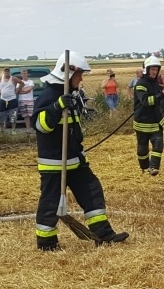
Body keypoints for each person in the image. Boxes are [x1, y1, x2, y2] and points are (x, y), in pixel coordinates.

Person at [32, 51, 127, 250]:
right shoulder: (49, 96)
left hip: (75, 160)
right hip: (55, 163)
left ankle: (103, 234)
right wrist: (56, 107)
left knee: (92, 192)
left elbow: (72, 131)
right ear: (68, 73)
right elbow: (41, 126)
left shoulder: (69, 96)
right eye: (79, 75)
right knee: (51, 203)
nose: (81, 79)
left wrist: (79, 153)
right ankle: (47, 242)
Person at [133, 55, 164, 176]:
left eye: (156, 69)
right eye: (152, 69)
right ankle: (144, 167)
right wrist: (161, 95)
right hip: (142, 121)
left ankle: (153, 168)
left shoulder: (155, 83)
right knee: (143, 147)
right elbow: (146, 101)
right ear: (147, 70)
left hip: (155, 120)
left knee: (158, 144)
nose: (155, 72)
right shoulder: (141, 84)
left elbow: (158, 103)